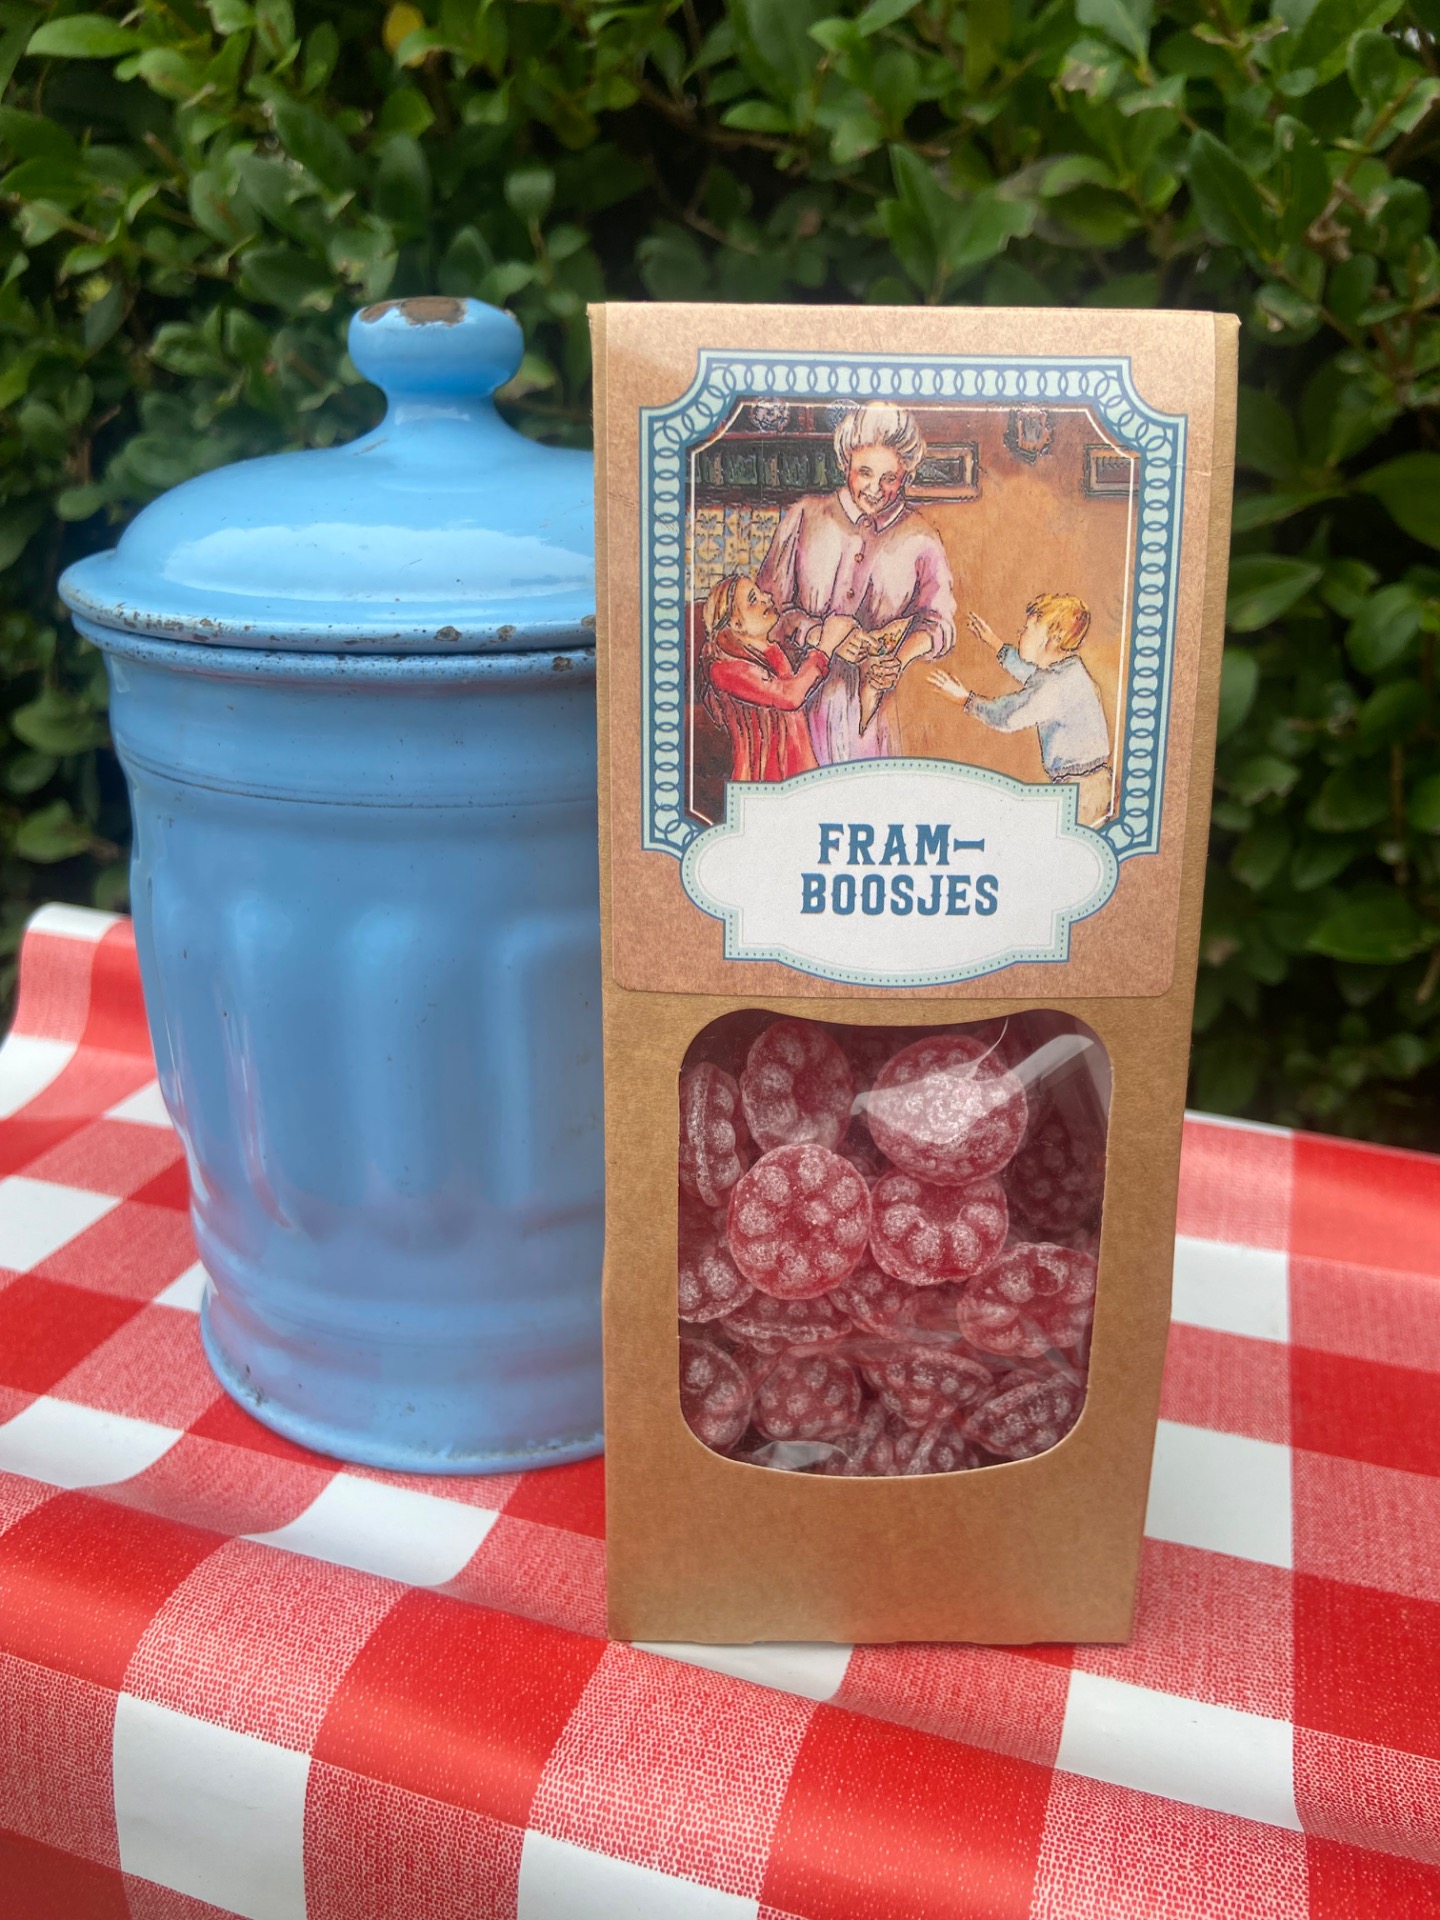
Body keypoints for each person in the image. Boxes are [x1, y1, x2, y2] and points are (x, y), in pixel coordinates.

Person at [755, 403, 956, 765]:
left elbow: (938, 624)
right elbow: (766, 614)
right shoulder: (805, 516)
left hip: (873, 712)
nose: (875, 489)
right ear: (845, 463)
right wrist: (820, 636)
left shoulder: (921, 538)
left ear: (906, 476)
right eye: (865, 472)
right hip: (799, 706)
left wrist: (897, 661)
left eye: (890, 478)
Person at [928, 594, 1113, 827]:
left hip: (1081, 795)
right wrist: (995, 643)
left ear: (1053, 638)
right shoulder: (1070, 671)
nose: (1020, 634)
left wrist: (965, 699)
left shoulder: (1054, 686)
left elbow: (1008, 716)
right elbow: (1032, 675)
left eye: (1027, 629)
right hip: (1094, 785)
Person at [697, 573, 864, 784]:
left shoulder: (772, 652)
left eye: (760, 593)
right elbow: (790, 696)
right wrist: (826, 647)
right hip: (764, 780)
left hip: (798, 772)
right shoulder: (724, 670)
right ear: (737, 624)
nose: (766, 597)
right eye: (753, 599)